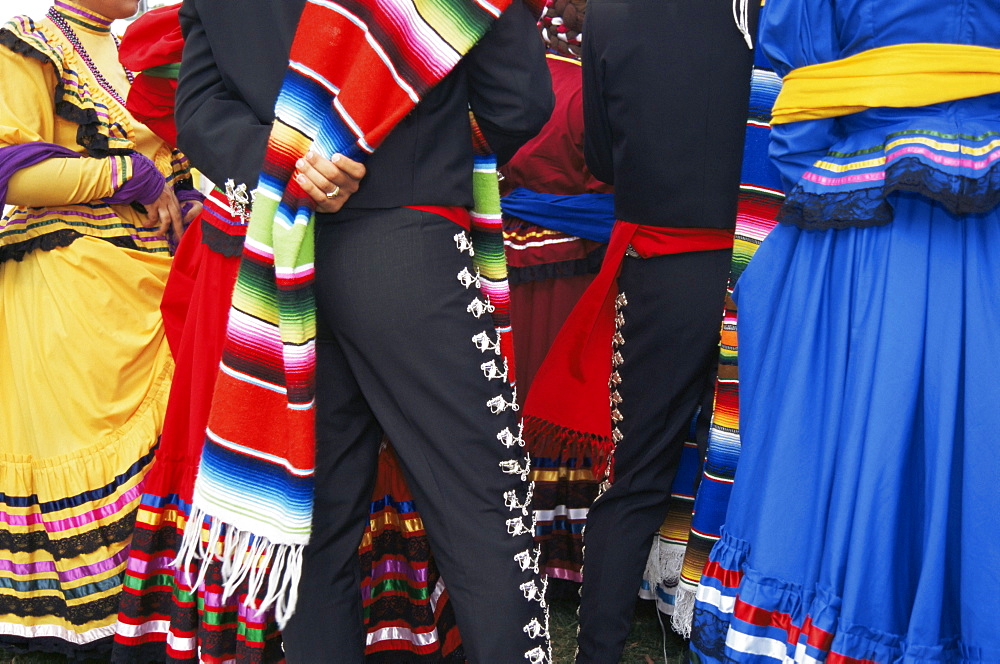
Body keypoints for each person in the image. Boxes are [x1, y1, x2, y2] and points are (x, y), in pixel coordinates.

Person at [168, 0, 555, 662]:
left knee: (317, 523)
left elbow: (199, 107)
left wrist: (290, 159)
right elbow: (519, 99)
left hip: (287, 260)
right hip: (409, 242)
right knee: (484, 510)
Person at [111, 2, 467, 661]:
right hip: (260, 248)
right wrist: (286, 164)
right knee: (282, 455)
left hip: (282, 234)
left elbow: (192, 98)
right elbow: (187, 95)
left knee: (321, 479)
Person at [690, 0, 1000, 661]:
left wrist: (835, 178)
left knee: (855, 450)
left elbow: (794, 118)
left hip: (868, 233)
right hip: (985, 232)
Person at [520, 0, 757, 660]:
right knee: (760, 464)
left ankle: (599, 649)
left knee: (633, 479)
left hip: (663, 267)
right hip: (757, 262)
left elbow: (599, 153)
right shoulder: (759, 10)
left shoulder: (612, 13)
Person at [0, 0, 199, 657]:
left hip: (158, 291)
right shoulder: (28, 42)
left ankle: (154, 626)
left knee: (168, 465)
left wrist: (187, 194)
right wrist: (130, 175)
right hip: (71, 296)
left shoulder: (140, 52)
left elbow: (178, 170)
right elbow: (12, 170)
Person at [498, 0, 615, 584]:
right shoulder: (589, 87)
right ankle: (569, 551)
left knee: (512, 391)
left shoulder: (506, 81)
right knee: (565, 396)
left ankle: (511, 535)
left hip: (507, 263)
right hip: (576, 272)